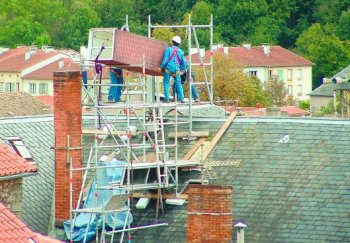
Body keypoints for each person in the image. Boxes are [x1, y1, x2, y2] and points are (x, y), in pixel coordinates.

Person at [158, 36, 187, 103]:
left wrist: (161, 67)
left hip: (168, 68)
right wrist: (183, 70)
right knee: (178, 83)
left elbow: (165, 59)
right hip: (176, 69)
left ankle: (167, 99)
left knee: (166, 83)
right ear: (179, 44)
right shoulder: (180, 52)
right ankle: (182, 98)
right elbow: (183, 62)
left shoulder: (169, 49)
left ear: (172, 42)